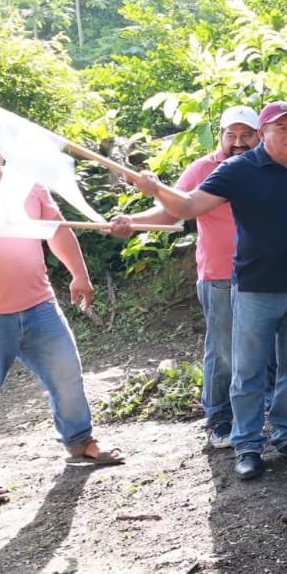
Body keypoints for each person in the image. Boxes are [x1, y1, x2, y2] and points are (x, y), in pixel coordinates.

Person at [131, 101, 287, 482]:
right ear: (265, 133)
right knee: (247, 371)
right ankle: (248, 445)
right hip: (256, 289)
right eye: (282, 128)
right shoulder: (239, 169)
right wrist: (156, 189)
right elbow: (189, 206)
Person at [109, 105, 260, 449]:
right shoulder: (203, 169)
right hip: (220, 274)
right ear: (219, 135)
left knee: (265, 343)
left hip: (264, 273)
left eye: (246, 135)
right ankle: (219, 416)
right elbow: (170, 210)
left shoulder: (267, 165)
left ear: (259, 135)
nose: (238, 142)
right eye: (231, 135)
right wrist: (132, 223)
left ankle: (262, 405)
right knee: (223, 351)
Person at [0, 131, 124, 505]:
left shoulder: (24, 184)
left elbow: (58, 229)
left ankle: (80, 441)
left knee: (67, 376)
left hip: (38, 305)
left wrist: (80, 275)